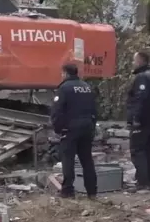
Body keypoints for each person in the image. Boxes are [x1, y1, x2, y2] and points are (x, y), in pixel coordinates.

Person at [51, 63, 98, 199]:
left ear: (65, 73)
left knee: (68, 159)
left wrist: (58, 128)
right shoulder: (86, 87)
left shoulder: (64, 88)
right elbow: (94, 109)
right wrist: (92, 125)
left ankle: (67, 191)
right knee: (87, 160)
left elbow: (57, 111)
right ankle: (92, 191)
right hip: (87, 127)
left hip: (70, 129)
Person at [127, 51, 150, 192]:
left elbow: (140, 99)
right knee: (149, 150)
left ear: (140, 61)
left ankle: (142, 183)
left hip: (142, 121)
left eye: (134, 60)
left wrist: (135, 118)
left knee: (138, 150)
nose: (133, 63)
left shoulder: (142, 78)